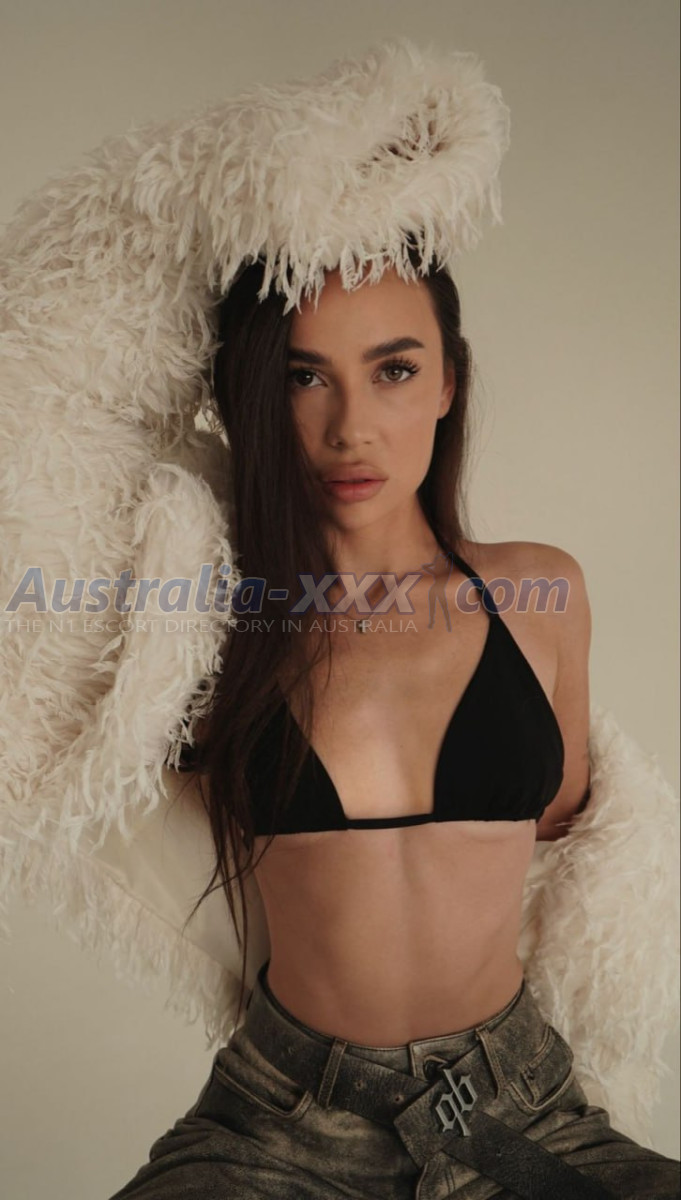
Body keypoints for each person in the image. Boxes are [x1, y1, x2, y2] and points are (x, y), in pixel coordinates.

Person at [104, 249, 681, 1197]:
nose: (350, 428)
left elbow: (565, 825)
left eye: (394, 370)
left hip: (512, 1118)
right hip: (281, 1127)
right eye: (303, 377)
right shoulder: (204, 621)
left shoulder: (537, 594)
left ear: (448, 382)